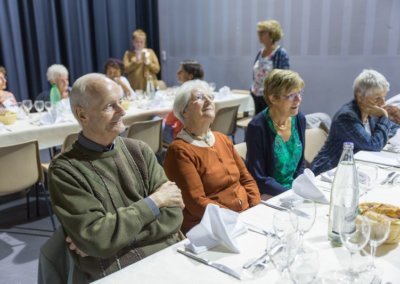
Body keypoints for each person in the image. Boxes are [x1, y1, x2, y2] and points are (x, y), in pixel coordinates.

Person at [44, 73, 184, 282]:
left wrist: (112, 239)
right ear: (82, 115)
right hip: (113, 271)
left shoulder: (140, 151)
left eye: (120, 102)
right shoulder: (65, 170)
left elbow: (174, 215)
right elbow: (96, 238)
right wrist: (154, 202)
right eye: (110, 106)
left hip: (167, 257)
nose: (122, 111)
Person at [164, 80, 261, 234]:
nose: (209, 101)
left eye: (210, 96)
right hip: (211, 228)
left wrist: (256, 207)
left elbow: (246, 178)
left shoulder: (221, 138)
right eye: (200, 97)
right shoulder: (179, 150)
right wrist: (235, 217)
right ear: (184, 111)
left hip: (244, 216)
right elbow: (197, 203)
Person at [311, 69, 400, 176]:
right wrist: (384, 117)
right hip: (329, 171)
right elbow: (374, 146)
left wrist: (395, 119)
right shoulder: (346, 117)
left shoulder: (370, 111)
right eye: (377, 98)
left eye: (384, 97)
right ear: (360, 96)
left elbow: (388, 133)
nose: (383, 103)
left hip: (353, 168)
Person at [246, 69, 306, 197]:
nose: (298, 99)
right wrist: (290, 194)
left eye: (299, 93)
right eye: (291, 95)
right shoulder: (257, 127)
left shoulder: (299, 119)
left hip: (294, 191)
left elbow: (301, 164)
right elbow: (259, 178)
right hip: (269, 194)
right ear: (273, 98)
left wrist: (299, 188)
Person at [251, 19, 290, 115]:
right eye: (259, 32)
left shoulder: (280, 53)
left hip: (270, 98)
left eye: (262, 32)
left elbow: (283, 78)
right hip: (256, 95)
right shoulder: (260, 52)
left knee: (269, 124)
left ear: (272, 34)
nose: (259, 35)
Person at [164, 60, 205, 143]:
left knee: (157, 122)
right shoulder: (204, 88)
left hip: (183, 136)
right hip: (201, 134)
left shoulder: (185, 94)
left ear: (190, 76)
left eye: (181, 71)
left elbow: (169, 121)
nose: (177, 73)